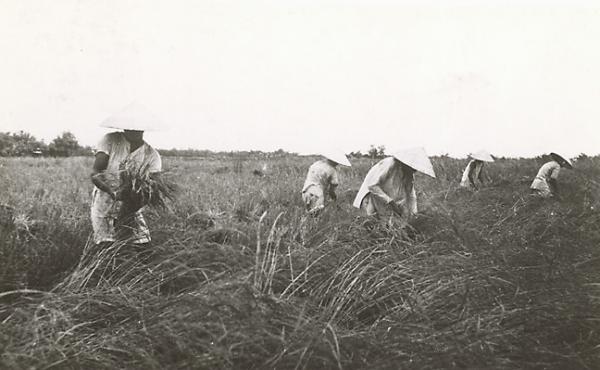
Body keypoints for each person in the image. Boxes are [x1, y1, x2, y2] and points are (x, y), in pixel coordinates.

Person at [90, 103, 162, 245]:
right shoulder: (110, 140)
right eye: (128, 127)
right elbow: (95, 173)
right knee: (106, 244)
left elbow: (153, 187)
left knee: (141, 245)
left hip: (132, 204)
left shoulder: (151, 155)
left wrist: (131, 206)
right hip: (104, 199)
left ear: (143, 128)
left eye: (136, 128)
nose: (132, 131)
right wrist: (112, 191)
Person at [353, 147, 436, 220]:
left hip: (384, 199)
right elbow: (372, 185)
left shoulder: (409, 175)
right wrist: (390, 202)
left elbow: (411, 196)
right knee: (372, 222)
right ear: (407, 164)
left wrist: (414, 213)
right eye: (414, 168)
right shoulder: (390, 164)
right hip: (370, 196)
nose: (415, 171)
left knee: (387, 224)